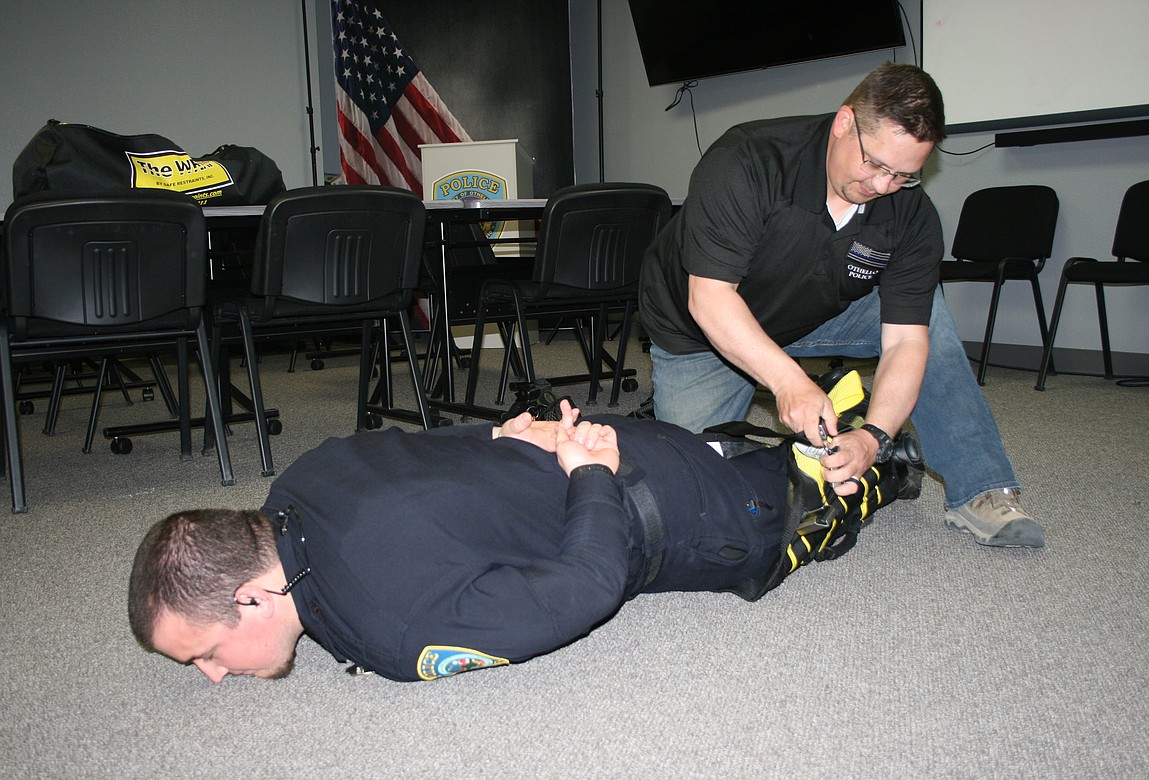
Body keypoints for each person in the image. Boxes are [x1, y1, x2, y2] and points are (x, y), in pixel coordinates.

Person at [128, 390, 919, 684]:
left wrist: (592, 478)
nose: (212, 676)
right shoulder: (301, 478)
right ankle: (774, 447)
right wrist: (520, 439)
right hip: (620, 432)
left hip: (662, 505)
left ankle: (883, 466)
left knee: (789, 527)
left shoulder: (395, 629)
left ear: (251, 595)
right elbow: (451, 441)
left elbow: (590, 586)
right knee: (747, 459)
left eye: (203, 653)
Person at [637, 62, 1043, 549]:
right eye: (874, 164)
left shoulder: (908, 211)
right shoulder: (747, 161)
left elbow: (907, 340)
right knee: (688, 497)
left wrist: (874, 438)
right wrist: (790, 381)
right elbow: (710, 297)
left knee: (927, 315)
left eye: (904, 175)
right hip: (701, 330)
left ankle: (980, 488)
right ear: (844, 122)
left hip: (814, 313)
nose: (883, 186)